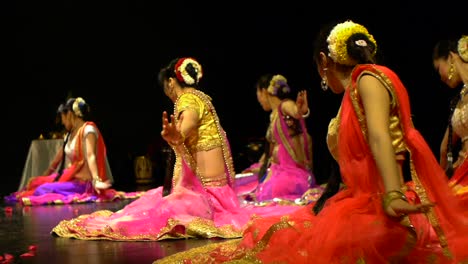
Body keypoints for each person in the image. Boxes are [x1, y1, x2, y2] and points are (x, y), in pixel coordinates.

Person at [153, 21, 468, 263]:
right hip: (363, 201)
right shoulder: (353, 93)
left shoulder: (369, 79)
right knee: (277, 233)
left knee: (296, 244)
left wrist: (393, 195)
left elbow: (379, 137)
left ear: (323, 60)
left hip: (388, 207)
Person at [51, 57, 300, 241]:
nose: (168, 94)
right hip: (216, 189)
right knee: (157, 201)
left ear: (171, 82)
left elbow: (188, 122)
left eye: (166, 88)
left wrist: (177, 134)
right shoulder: (203, 97)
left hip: (207, 195)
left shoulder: (188, 99)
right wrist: (178, 137)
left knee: (155, 211)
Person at [4, 97, 138, 206]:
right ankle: (57, 187)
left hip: (84, 184)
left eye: (62, 117)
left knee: (41, 190)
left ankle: (68, 192)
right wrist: (44, 178)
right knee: (36, 184)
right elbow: (55, 162)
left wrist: (96, 180)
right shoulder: (70, 134)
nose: (62, 122)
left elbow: (90, 156)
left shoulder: (88, 130)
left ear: (70, 115)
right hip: (71, 177)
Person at [235, 74, 323, 204]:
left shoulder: (285, 105)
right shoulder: (274, 115)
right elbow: (269, 153)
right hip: (276, 170)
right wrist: (258, 167)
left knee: (258, 194)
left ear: (264, 91)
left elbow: (295, 111)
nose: (258, 99)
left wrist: (300, 111)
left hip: (290, 175)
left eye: (258, 94)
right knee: (241, 182)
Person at [433, 34, 468, 204]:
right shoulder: (458, 100)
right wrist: (440, 184)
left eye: (439, 68)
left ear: (451, 57)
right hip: (462, 171)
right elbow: (443, 148)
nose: (441, 78)